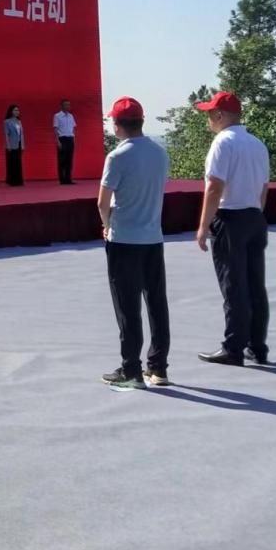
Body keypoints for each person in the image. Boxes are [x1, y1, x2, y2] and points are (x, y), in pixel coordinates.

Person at [97, 97, 171, 389]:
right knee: (156, 303)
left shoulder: (117, 157)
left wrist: (107, 226)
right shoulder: (159, 153)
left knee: (127, 307)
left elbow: (102, 202)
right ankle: (159, 367)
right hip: (153, 237)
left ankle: (131, 369)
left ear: (117, 124)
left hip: (125, 239)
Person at [194, 91, 271, 366]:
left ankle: (233, 347)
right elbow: (264, 188)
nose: (208, 119)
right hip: (254, 216)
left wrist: (203, 225)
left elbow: (215, 187)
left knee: (233, 285)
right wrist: (257, 214)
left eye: (209, 114)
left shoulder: (222, 143)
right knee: (255, 285)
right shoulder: (257, 144)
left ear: (219, 115)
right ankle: (257, 345)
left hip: (230, 218)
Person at [53, 99, 76, 185]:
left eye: (69, 105)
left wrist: (74, 138)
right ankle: (62, 180)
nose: (68, 106)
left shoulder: (71, 116)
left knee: (69, 160)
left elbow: (73, 127)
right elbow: (55, 129)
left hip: (70, 139)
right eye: (66, 105)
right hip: (62, 139)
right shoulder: (57, 116)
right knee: (62, 160)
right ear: (61, 106)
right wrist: (57, 141)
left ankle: (68, 179)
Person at [3, 104, 25, 186]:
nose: (17, 112)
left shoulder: (19, 121)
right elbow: (6, 135)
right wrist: (8, 145)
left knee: (18, 163)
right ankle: (12, 181)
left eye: (18, 110)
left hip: (19, 143)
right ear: (11, 111)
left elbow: (21, 134)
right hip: (11, 145)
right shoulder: (7, 122)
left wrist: (22, 145)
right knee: (12, 163)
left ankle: (19, 180)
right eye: (15, 110)